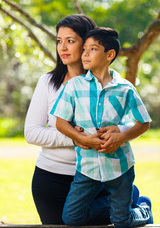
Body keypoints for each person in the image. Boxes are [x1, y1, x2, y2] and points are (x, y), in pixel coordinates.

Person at [24, 14, 135, 225]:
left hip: (99, 177)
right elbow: (31, 132)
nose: (62, 47)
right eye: (59, 41)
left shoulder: (112, 82)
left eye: (71, 41)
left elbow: (132, 121)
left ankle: (128, 201)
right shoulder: (48, 82)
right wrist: (76, 138)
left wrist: (118, 132)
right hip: (52, 179)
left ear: (87, 43)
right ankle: (131, 199)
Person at [51, 27, 153, 227]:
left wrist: (122, 136)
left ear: (110, 55)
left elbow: (144, 123)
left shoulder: (126, 89)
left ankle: (142, 208)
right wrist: (81, 138)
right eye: (84, 49)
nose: (85, 54)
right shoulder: (74, 86)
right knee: (71, 219)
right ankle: (120, 206)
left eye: (93, 49)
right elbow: (60, 122)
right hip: (87, 167)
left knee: (122, 222)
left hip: (120, 167)